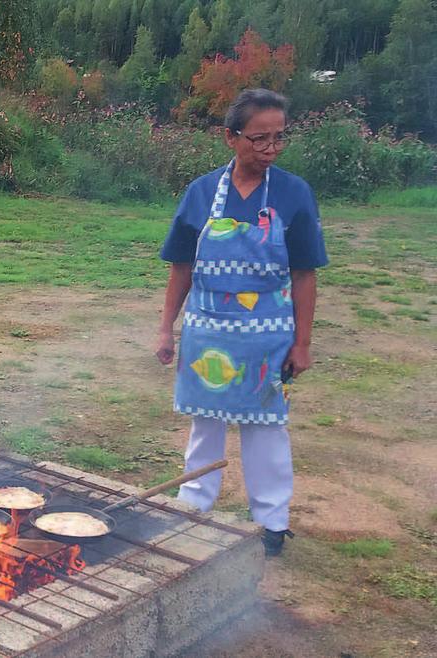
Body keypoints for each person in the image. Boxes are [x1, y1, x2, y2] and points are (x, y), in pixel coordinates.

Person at [155, 89, 328, 558]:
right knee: (205, 425)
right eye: (259, 139)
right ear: (230, 137)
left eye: (278, 138)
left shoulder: (293, 194)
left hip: (268, 337)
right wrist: (166, 328)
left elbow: (304, 273)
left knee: (266, 426)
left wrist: (303, 343)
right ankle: (194, 512)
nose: (270, 148)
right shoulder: (201, 192)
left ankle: (272, 523)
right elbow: (181, 267)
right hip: (207, 329)